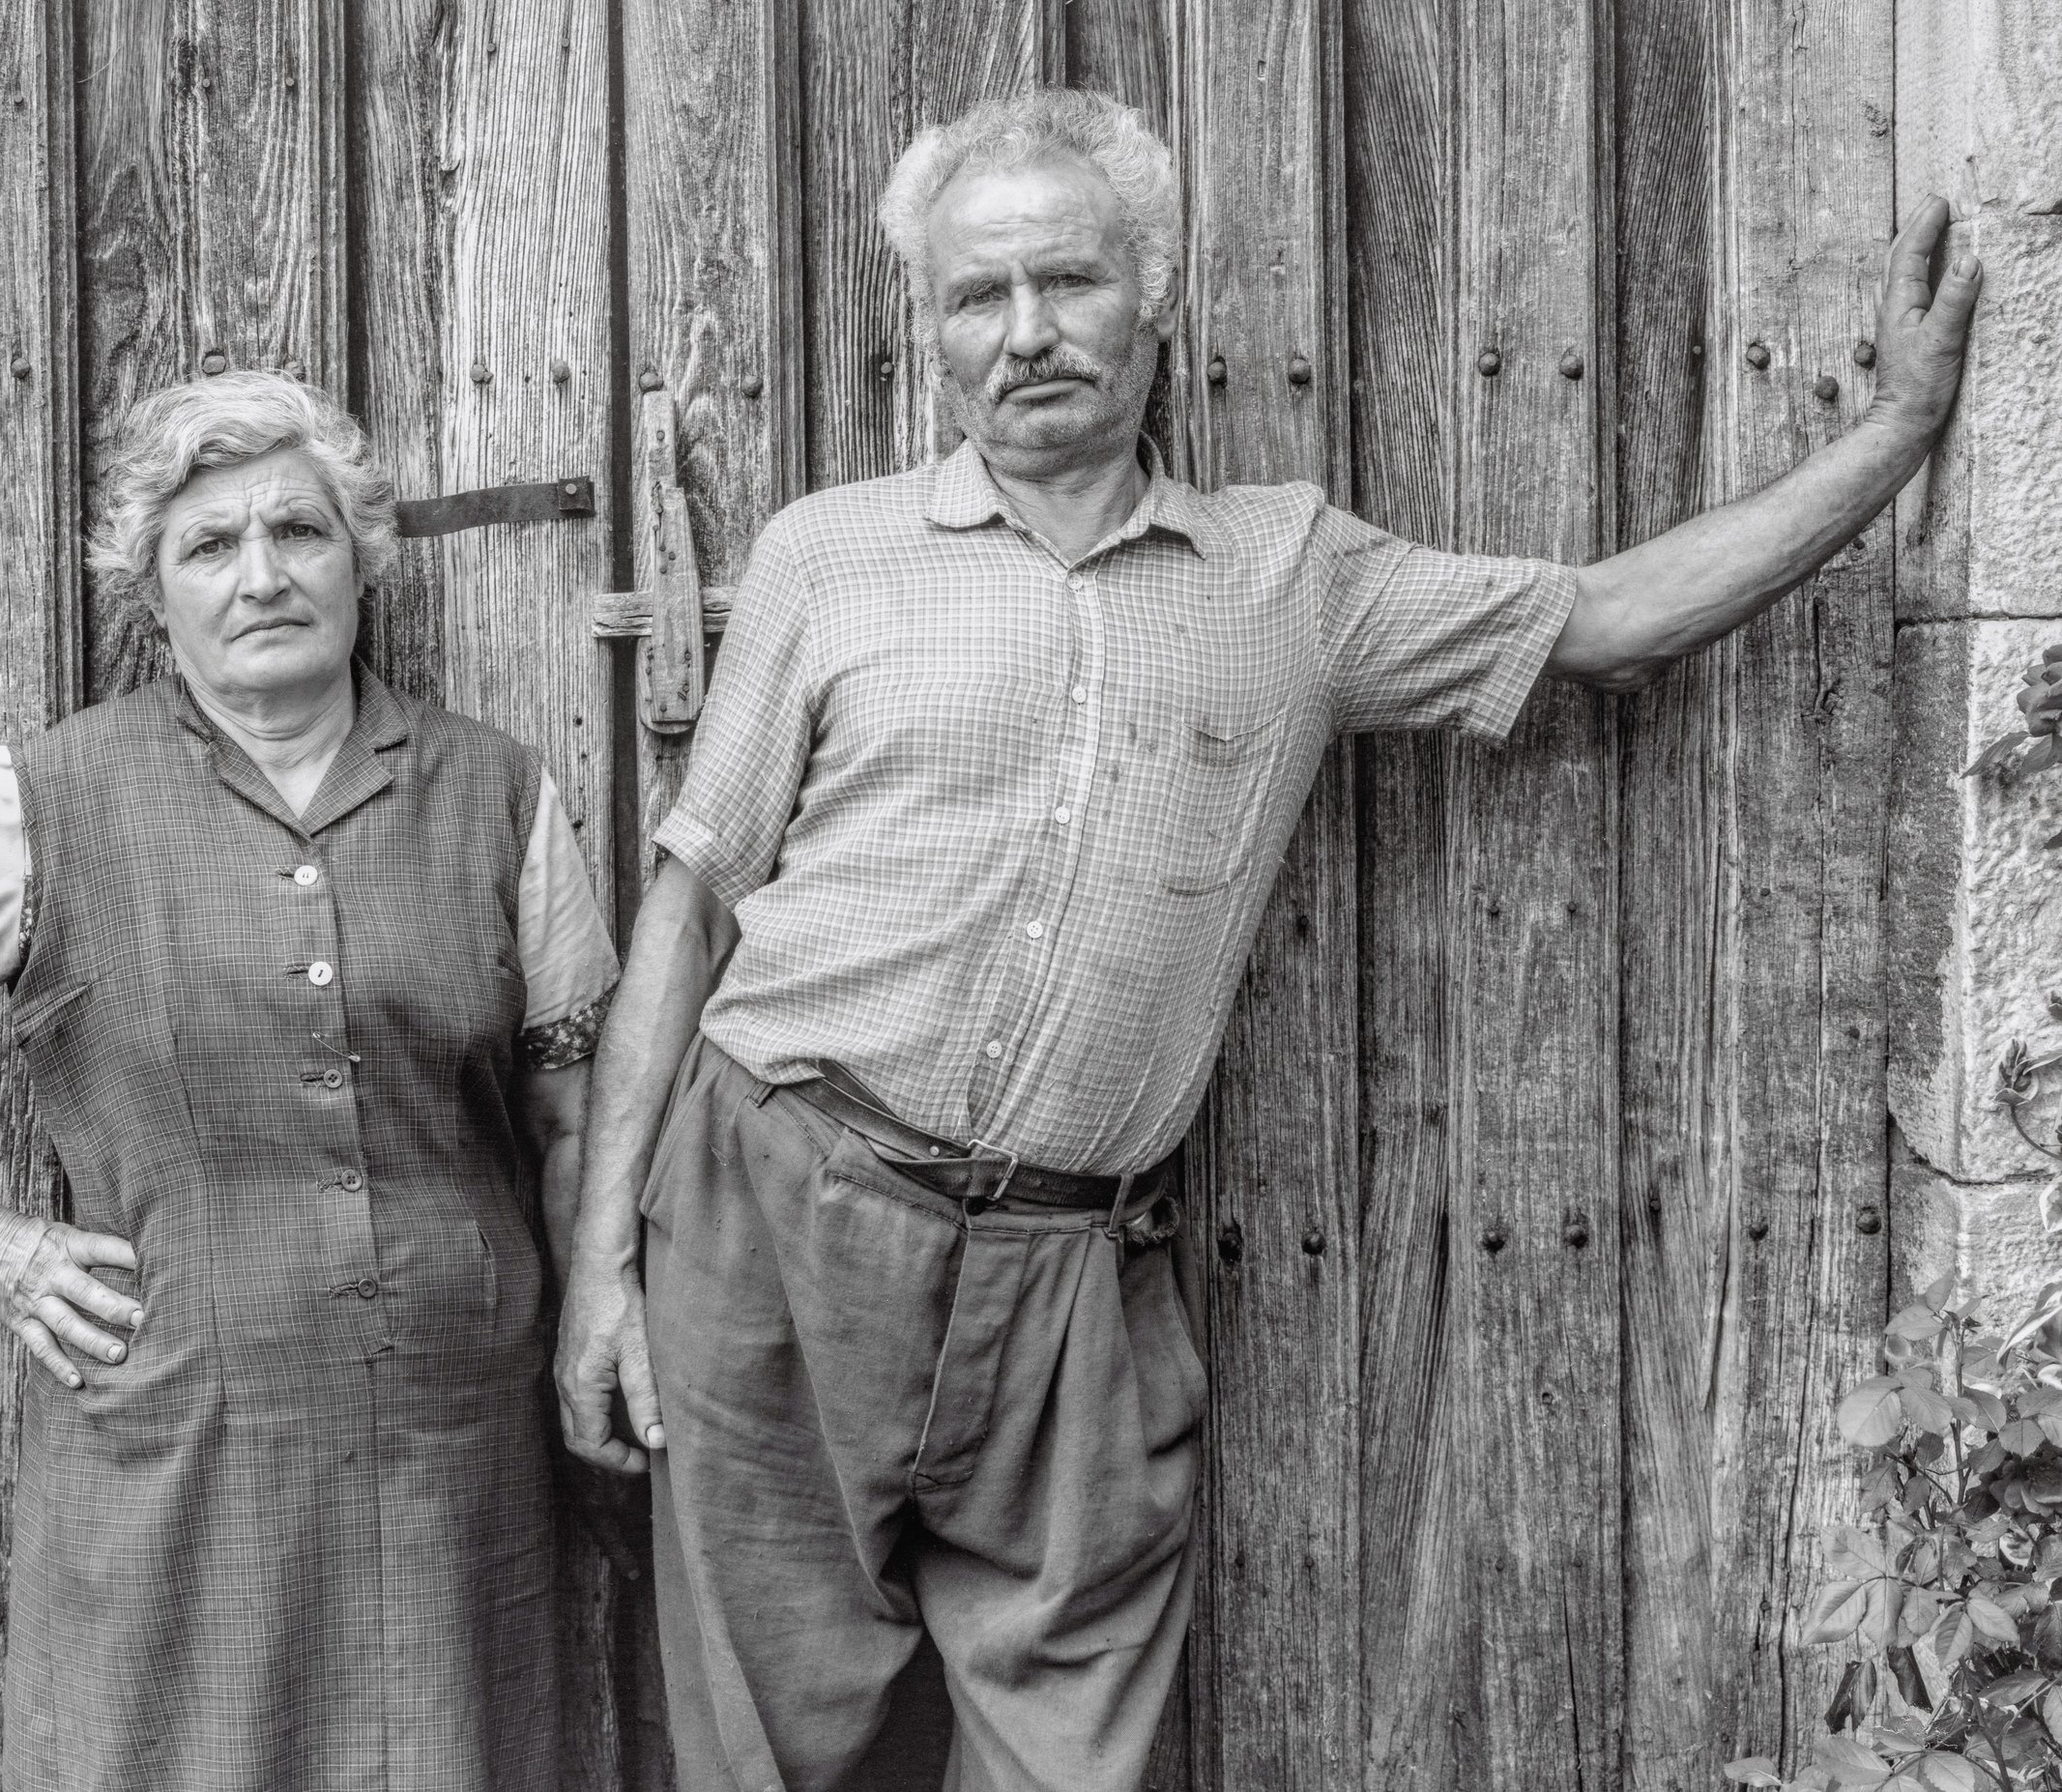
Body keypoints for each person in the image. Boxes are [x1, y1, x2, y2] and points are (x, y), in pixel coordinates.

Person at [553, 85, 1983, 1792]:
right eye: (971, 297)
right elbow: (692, 903)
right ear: (922, 327)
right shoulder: (826, 555)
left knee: (1073, 1753)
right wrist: (601, 1270)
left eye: (1068, 281)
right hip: (775, 1214)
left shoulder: (1291, 574)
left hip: (1069, 1281)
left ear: (1155, 294)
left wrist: (1895, 433)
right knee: (767, 1754)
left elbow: (1605, 621)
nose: (1024, 335)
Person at [0, 371, 619, 1791]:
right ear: (154, 589)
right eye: (210, 546)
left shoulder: (499, 796)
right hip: (174, 1439)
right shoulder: (47, 802)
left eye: (299, 532)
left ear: (361, 556)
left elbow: (577, 1109)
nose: (262, 575)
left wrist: (596, 1325)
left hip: (450, 1457)